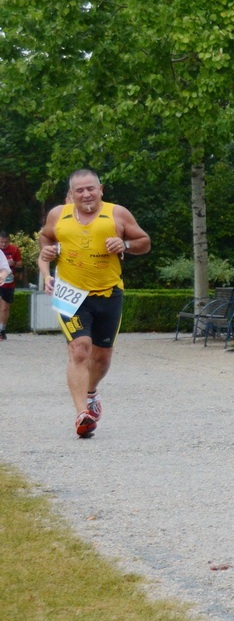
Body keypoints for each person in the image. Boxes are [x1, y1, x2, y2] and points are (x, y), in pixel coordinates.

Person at [38, 169, 151, 438]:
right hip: (70, 294)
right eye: (79, 190)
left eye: (91, 188)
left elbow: (144, 242)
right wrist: (47, 250)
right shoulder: (58, 215)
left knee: (101, 357)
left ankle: (90, 392)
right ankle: (81, 415)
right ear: (72, 194)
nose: (86, 194)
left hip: (108, 292)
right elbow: (46, 238)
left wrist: (124, 244)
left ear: (101, 189)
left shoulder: (117, 213)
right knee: (80, 349)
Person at [0, 232, 18, 339]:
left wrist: (14, 263)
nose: (3, 244)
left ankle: (2, 329)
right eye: (1, 242)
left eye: (5, 242)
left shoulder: (14, 250)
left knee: (5, 307)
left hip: (8, 282)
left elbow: (20, 264)